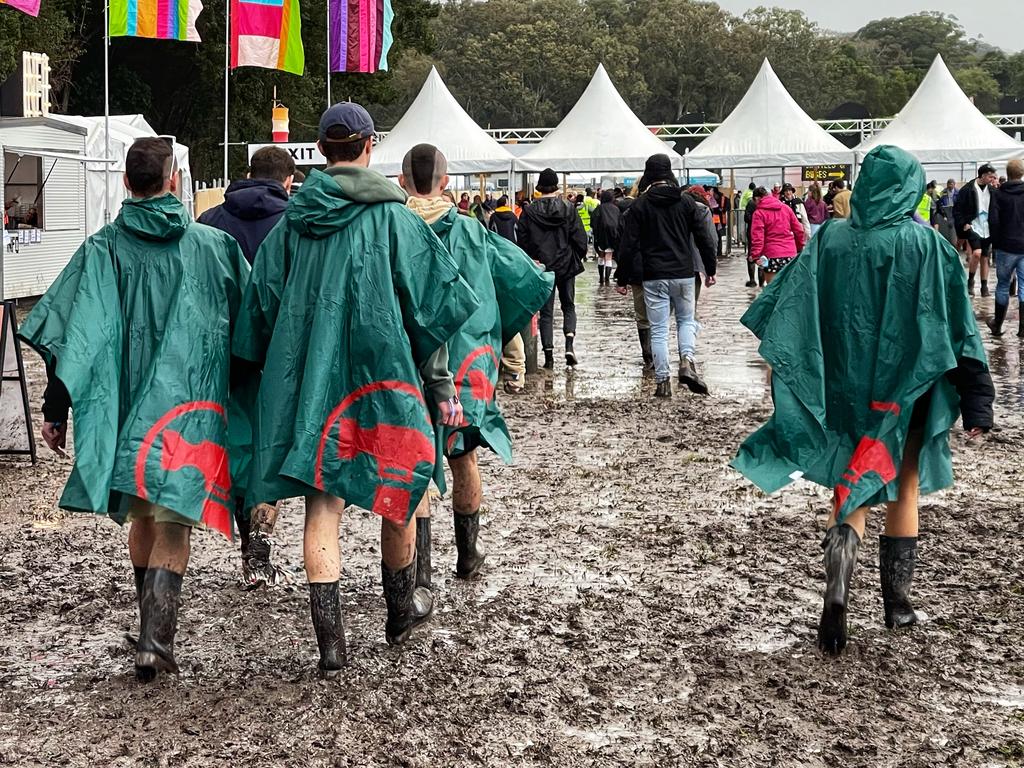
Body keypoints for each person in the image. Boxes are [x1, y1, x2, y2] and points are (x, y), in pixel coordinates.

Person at [232, 103, 480, 675]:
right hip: (385, 379)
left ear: (320, 151)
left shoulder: (291, 224)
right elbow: (432, 313)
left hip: (310, 384)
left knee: (324, 503)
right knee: (400, 492)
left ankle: (332, 647)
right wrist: (441, 387)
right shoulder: (398, 222)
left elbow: (260, 314)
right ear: (370, 145)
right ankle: (400, 611)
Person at [732, 145, 994, 656]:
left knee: (849, 484)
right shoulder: (929, 245)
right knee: (905, 486)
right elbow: (959, 329)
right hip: (908, 391)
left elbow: (788, 305)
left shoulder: (828, 237)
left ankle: (837, 594)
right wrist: (977, 399)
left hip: (844, 389)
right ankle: (897, 605)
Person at [19, 137, 250, 681]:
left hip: (123, 407)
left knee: (143, 510)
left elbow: (72, 337)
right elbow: (251, 326)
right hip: (189, 409)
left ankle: (149, 625)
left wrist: (57, 408)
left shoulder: (100, 250)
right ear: (173, 181)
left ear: (126, 183)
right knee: (173, 515)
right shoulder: (214, 247)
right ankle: (155, 638)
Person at [399, 144, 552, 595]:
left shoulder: (394, 229)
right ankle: (467, 555)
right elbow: (521, 279)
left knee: (415, 461)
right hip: (466, 361)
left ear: (403, 182)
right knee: (464, 452)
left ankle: (420, 575)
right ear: (446, 182)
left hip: (407, 358)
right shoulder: (472, 231)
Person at [197, 145, 296, 587]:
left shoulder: (208, 223)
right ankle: (260, 539)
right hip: (279, 350)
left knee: (236, 440)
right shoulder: (296, 225)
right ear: (288, 181)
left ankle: (245, 535)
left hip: (223, 351)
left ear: (247, 174)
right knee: (271, 444)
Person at [615, 154, 717, 398]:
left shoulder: (640, 206)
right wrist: (710, 269)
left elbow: (628, 246)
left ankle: (662, 383)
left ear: (649, 176)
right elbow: (703, 238)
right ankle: (686, 361)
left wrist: (622, 278)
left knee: (658, 329)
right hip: (683, 273)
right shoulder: (686, 203)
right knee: (685, 320)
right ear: (669, 174)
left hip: (653, 276)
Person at [518, 168, 588, 370]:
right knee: (569, 306)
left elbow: (522, 241)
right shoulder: (568, 208)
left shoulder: (529, 212)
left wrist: (534, 260)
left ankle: (548, 356)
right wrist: (576, 256)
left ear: (539, 188)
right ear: (556, 186)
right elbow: (580, 238)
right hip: (566, 265)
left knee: (546, 313)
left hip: (542, 268)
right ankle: (569, 345)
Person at [988, 158, 1024, 337]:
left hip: (1005, 247)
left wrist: (996, 243)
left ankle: (998, 325)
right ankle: (1023, 329)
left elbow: (993, 221)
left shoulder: (998, 194)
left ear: (1008, 174)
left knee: (1002, 285)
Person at [954, 163, 999, 297]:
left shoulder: (992, 191)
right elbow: (957, 210)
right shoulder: (967, 189)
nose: (993, 179)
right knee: (977, 253)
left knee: (985, 257)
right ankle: (971, 280)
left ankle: (984, 286)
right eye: (991, 177)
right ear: (983, 175)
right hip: (973, 225)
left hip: (987, 227)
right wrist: (964, 223)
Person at [748, 186, 806, 285]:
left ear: (757, 199)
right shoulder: (786, 208)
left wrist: (755, 255)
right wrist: (799, 247)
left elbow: (758, 238)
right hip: (790, 255)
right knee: (788, 290)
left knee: (773, 291)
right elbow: (799, 230)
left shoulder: (759, 213)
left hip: (771, 255)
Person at [591, 189, 622, 286]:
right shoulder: (616, 209)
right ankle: (607, 279)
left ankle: (601, 278)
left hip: (601, 235)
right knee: (609, 257)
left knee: (601, 255)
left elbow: (593, 222)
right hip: (613, 235)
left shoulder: (599, 208)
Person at [938, 179, 959, 245]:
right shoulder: (943, 192)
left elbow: (960, 202)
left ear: (954, 184)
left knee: (955, 227)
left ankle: (955, 242)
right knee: (946, 227)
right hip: (946, 210)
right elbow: (939, 202)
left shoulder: (958, 192)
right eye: (949, 184)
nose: (950, 186)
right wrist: (942, 211)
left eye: (951, 184)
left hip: (955, 210)